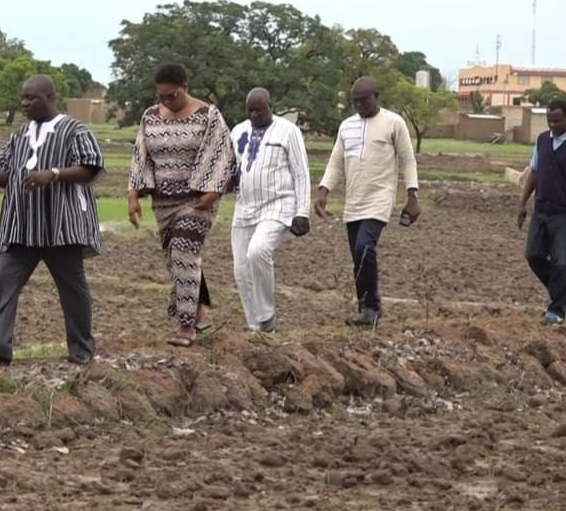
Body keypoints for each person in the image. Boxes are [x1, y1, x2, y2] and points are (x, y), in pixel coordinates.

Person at [0, 75, 105, 366]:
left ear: (50, 98)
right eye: (23, 99)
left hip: (60, 227)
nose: (26, 104)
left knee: (73, 290)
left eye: (33, 98)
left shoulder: (74, 130)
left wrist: (52, 174)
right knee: (5, 285)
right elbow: (8, 174)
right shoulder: (20, 135)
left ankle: (82, 350)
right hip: (22, 226)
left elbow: (90, 168)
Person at [127, 62, 238, 346]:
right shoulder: (150, 117)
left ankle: (185, 326)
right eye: (161, 97)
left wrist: (214, 192)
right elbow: (141, 156)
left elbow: (222, 156)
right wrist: (133, 196)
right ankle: (201, 312)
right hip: (163, 203)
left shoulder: (208, 116)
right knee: (175, 260)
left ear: (185, 88)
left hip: (197, 201)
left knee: (183, 251)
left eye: (172, 96)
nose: (166, 101)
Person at [315, 76, 420, 327]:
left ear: (377, 96)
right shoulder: (346, 126)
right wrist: (323, 191)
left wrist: (412, 195)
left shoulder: (394, 123)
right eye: (355, 102)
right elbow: (336, 161)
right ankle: (365, 307)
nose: (359, 106)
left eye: (364, 100)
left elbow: (407, 159)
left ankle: (372, 307)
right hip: (354, 201)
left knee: (364, 247)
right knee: (357, 256)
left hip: (380, 198)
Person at [228, 87, 311, 333]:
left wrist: (302, 211)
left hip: (277, 205)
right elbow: (230, 168)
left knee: (258, 251)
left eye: (259, 110)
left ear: (269, 107)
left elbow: (301, 173)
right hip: (244, 207)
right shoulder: (238, 131)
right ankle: (256, 327)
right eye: (250, 110)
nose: (254, 114)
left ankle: (266, 316)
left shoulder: (288, 132)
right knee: (241, 269)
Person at [516, 99, 566, 324]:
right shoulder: (542, 140)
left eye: (557, 120)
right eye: (549, 120)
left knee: (562, 261)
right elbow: (534, 171)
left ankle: (557, 310)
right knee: (533, 255)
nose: (552, 124)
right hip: (542, 208)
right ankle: (563, 286)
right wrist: (523, 202)